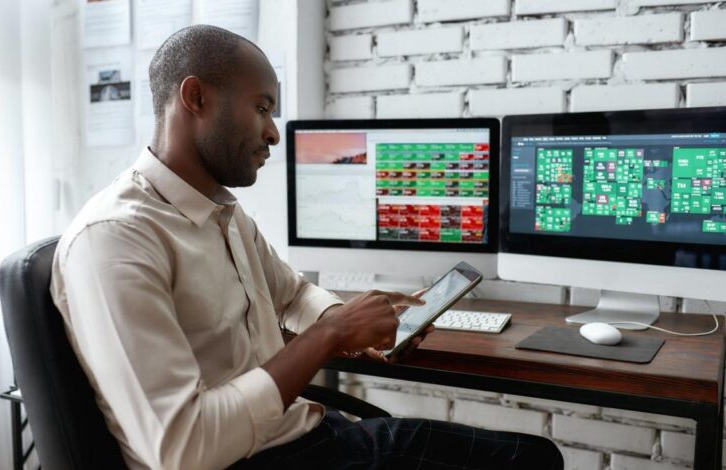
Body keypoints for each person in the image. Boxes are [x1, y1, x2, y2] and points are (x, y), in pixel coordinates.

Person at [50, 25, 563, 470]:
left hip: (297, 436)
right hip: (253, 462)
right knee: (535, 460)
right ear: (196, 98)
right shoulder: (117, 239)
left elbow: (293, 295)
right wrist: (327, 336)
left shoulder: (222, 213)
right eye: (262, 108)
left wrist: (352, 326)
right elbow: (182, 449)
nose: (274, 133)